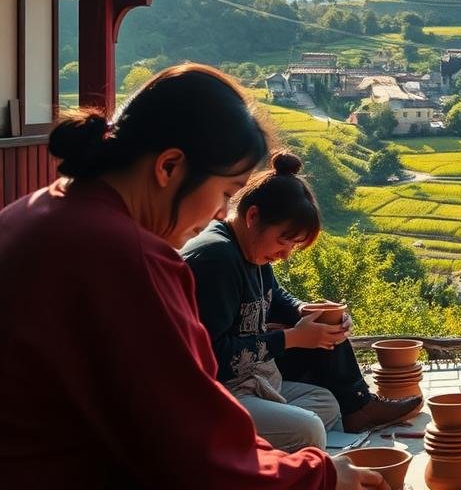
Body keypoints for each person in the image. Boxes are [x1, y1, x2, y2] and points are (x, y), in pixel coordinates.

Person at [0, 64, 385, 489]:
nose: (222, 212)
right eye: (225, 192)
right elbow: (193, 449)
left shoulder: (30, 214)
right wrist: (324, 476)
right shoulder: (132, 260)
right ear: (169, 167)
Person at [183, 152, 421, 450]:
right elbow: (212, 356)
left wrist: (304, 310)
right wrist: (291, 338)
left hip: (252, 378)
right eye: (284, 240)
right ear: (253, 216)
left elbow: (275, 296)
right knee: (307, 427)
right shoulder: (216, 259)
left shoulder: (250, 247)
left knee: (327, 403)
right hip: (214, 395)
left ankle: (353, 418)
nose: (285, 254)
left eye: (293, 246)